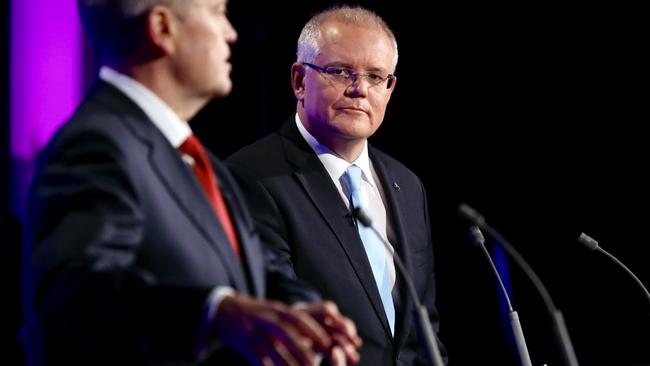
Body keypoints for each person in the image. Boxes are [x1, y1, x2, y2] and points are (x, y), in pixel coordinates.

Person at [21, 0, 361, 365]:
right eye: (217, 12)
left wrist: (305, 311)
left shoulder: (200, 161)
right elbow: (75, 292)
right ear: (163, 27)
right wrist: (214, 312)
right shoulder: (95, 145)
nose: (231, 33)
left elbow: (258, 270)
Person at [226, 5, 446, 365]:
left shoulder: (407, 184)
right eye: (340, 72)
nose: (360, 89)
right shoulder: (251, 177)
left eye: (376, 76)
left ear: (390, 88)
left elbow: (424, 328)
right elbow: (277, 315)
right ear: (299, 80)